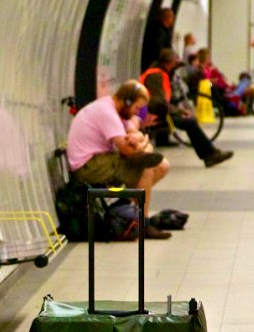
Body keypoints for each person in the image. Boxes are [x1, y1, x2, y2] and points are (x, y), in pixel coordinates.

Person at [65, 80, 173, 240]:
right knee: (145, 168)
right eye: (136, 107)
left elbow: (134, 133)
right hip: (89, 166)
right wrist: (143, 145)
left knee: (162, 166)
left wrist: (139, 140)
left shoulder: (118, 110)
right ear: (127, 101)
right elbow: (129, 150)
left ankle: (122, 207)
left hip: (101, 161)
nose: (137, 112)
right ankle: (143, 222)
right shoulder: (106, 112)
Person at [140, 49, 234, 168]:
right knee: (189, 122)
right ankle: (210, 155)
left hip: (157, 111)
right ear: (169, 62)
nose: (175, 64)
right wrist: (179, 111)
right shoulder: (156, 75)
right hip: (152, 115)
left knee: (189, 122)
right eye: (174, 62)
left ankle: (211, 153)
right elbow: (158, 102)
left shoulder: (157, 72)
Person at [142, 7, 175, 73]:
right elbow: (158, 49)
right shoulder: (159, 31)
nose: (173, 19)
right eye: (172, 17)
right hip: (150, 62)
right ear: (167, 18)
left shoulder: (159, 28)